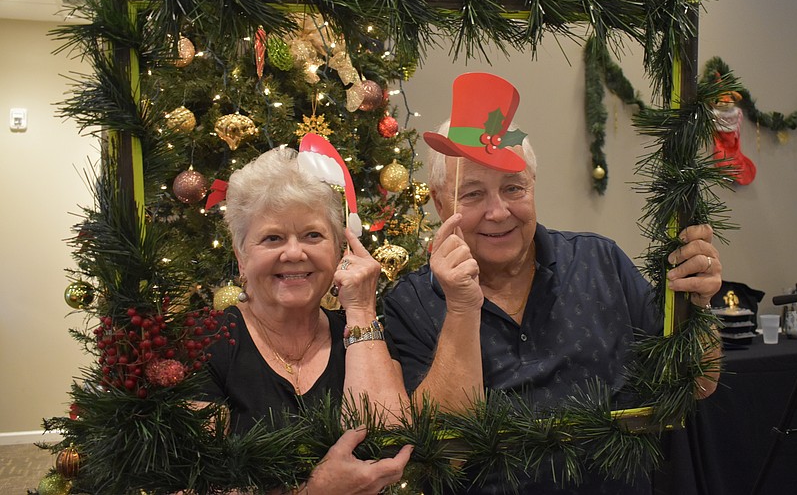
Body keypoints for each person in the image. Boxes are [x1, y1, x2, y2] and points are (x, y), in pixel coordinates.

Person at [382, 72, 721, 494]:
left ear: (533, 186)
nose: (499, 211)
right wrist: (462, 308)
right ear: (438, 202)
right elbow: (443, 449)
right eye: (471, 194)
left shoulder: (600, 263)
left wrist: (700, 305)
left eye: (513, 188)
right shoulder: (408, 303)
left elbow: (697, 384)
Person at [201, 146, 412, 494]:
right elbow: (192, 483)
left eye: (313, 235)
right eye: (273, 238)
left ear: (339, 250)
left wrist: (360, 309)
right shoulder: (207, 344)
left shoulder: (363, 334)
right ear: (241, 257)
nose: (295, 252)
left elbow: (389, 448)